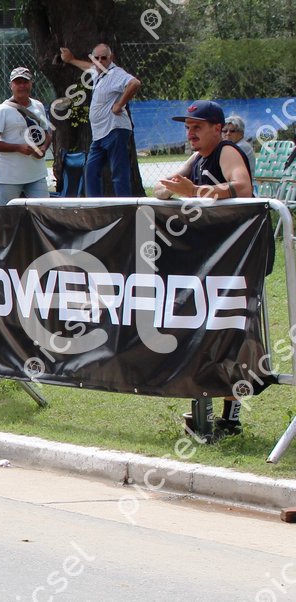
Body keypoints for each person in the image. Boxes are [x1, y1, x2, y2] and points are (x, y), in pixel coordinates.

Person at [153, 100, 253, 441]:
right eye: (187, 127)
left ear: (217, 128)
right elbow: (160, 188)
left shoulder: (227, 151)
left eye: (197, 126)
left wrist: (193, 192)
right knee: (207, 335)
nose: (190, 132)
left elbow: (242, 188)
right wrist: (175, 188)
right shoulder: (197, 158)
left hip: (237, 261)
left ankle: (231, 419)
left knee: (233, 337)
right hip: (210, 262)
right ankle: (206, 412)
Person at [60, 44, 141, 197]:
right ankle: (94, 204)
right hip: (99, 134)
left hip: (115, 129)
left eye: (104, 58)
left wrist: (119, 105)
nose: (100, 61)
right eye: (96, 58)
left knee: (118, 172)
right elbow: (88, 67)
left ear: (111, 58)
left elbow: (134, 83)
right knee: (91, 170)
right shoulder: (98, 73)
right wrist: (71, 60)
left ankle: (124, 205)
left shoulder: (116, 73)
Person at [0, 67, 51, 204]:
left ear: (31, 84)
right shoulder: (2, 110)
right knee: (6, 214)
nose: (22, 86)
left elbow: (46, 133)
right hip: (10, 176)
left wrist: (43, 149)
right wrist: (18, 148)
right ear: (11, 85)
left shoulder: (38, 106)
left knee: (44, 211)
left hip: (36, 174)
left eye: (25, 82)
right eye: (18, 82)